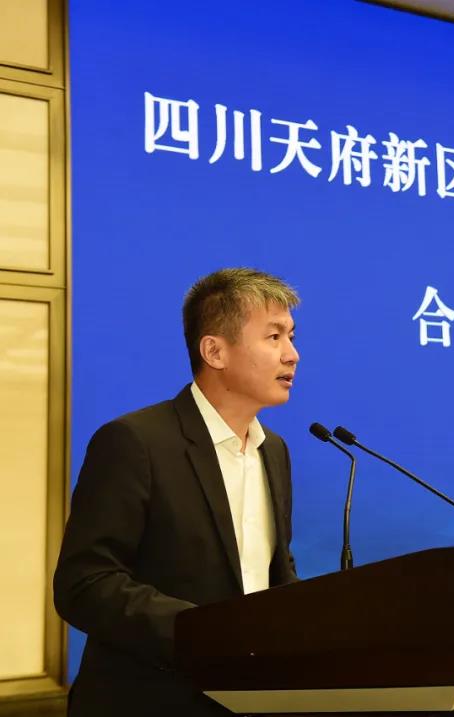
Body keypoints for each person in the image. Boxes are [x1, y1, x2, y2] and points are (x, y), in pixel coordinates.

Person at [54, 268, 302, 716]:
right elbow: (85, 583)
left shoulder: (274, 451)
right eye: (274, 337)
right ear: (214, 351)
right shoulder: (135, 442)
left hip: (249, 700)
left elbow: (269, 574)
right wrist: (203, 632)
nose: (292, 354)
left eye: (291, 336)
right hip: (149, 700)